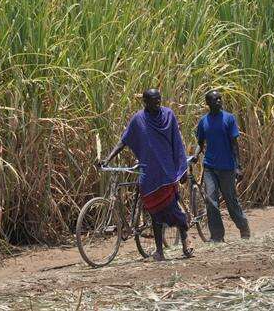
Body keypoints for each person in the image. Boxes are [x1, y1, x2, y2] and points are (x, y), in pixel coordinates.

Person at [100, 88, 194, 261]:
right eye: (153, 101)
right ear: (145, 102)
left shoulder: (169, 115)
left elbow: (177, 143)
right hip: (148, 173)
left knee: (172, 209)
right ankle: (159, 251)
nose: (157, 103)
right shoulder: (138, 119)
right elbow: (124, 140)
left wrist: (182, 169)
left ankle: (184, 234)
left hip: (167, 172)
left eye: (159, 100)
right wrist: (107, 159)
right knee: (154, 211)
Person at [193, 90, 250, 242]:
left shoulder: (229, 119)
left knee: (230, 200)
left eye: (220, 99)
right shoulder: (203, 121)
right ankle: (217, 236)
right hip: (210, 167)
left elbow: (234, 144)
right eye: (215, 99)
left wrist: (238, 166)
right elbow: (200, 143)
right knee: (211, 201)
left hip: (227, 167)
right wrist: (195, 155)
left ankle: (243, 227)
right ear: (208, 103)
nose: (218, 101)